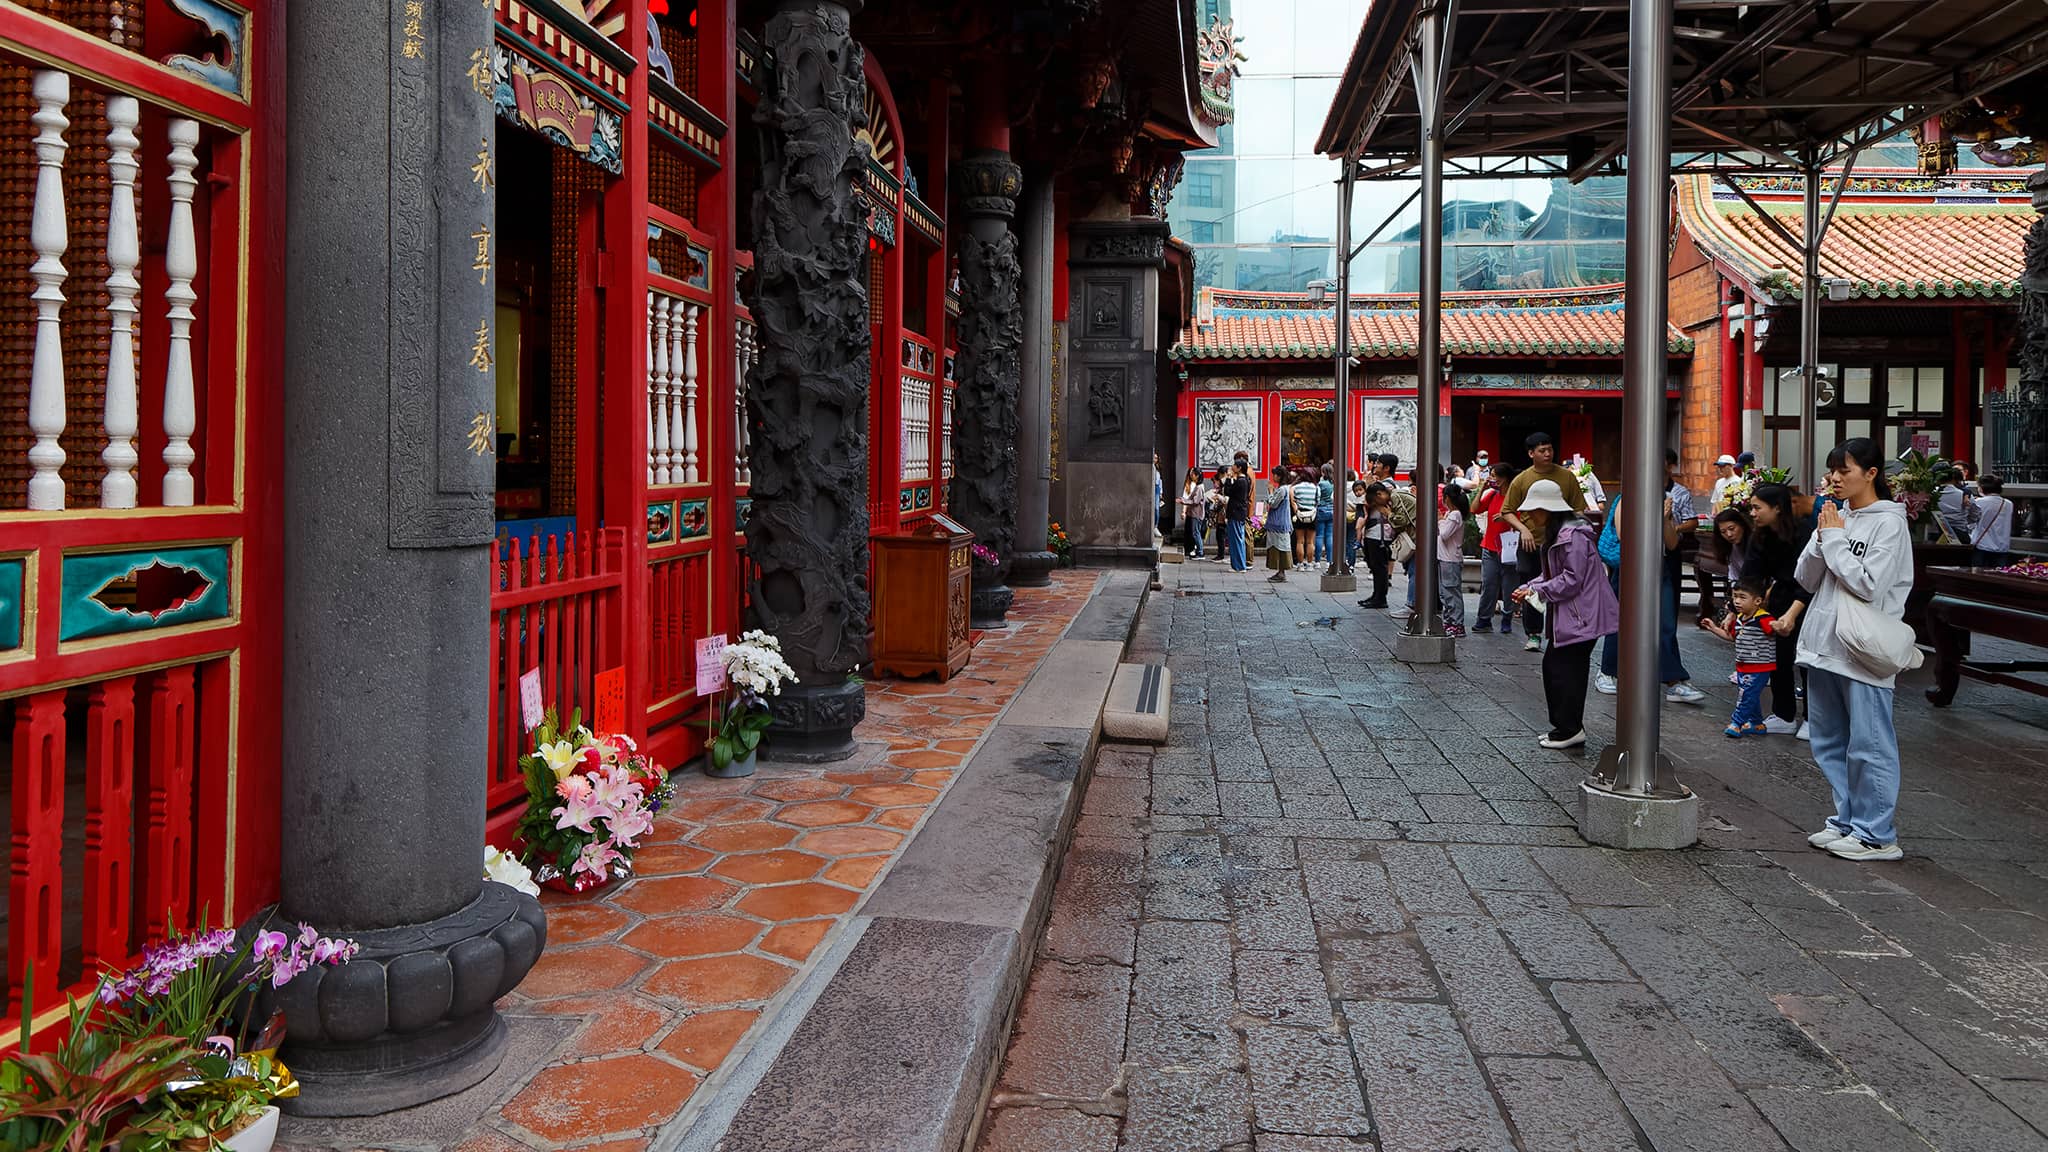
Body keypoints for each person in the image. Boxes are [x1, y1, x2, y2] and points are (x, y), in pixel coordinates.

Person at [1797, 437, 1913, 862]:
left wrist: (1836, 540)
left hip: (1862, 652)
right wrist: (1824, 535)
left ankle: (1877, 833)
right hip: (1823, 645)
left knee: (1870, 744)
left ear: (1870, 473)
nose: (1836, 479)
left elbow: (1868, 585)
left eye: (1844, 471)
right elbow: (1806, 578)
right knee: (1829, 741)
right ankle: (1847, 820)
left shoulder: (1889, 523)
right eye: (1833, 471)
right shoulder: (1836, 518)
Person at [1511, 479, 1618, 750]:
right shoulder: (1565, 534)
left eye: (1533, 509)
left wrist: (1538, 590)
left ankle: (1569, 729)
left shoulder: (1573, 536)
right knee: (1559, 668)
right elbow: (1556, 575)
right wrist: (1530, 587)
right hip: (1575, 614)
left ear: (1547, 509)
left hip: (1582, 614)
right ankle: (1565, 727)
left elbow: (1572, 579)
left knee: (1564, 670)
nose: (1529, 515)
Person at [1595, 448, 1704, 704]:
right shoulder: (1627, 498)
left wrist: (1666, 518)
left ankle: (1674, 680)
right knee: (1621, 621)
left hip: (1660, 567)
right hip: (1630, 567)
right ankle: (1608, 671)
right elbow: (1625, 537)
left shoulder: (1668, 499)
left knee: (1665, 623)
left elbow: (1672, 543)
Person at [1501, 433, 1590, 651]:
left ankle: (1562, 629)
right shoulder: (1522, 479)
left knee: (1562, 585)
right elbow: (1507, 510)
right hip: (1531, 544)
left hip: (1560, 545)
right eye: (1542, 450)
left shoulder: (1566, 477)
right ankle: (1533, 633)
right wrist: (1523, 529)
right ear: (1531, 454)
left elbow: (1578, 508)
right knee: (1531, 585)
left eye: (1550, 449)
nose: (1547, 454)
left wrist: (1568, 532)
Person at [1747, 483, 1813, 736]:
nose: (1752, 513)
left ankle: (1811, 719)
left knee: (1806, 661)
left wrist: (1792, 614)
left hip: (1806, 600)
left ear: (1777, 508)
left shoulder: (1804, 533)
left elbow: (1809, 580)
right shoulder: (1760, 535)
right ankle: (1784, 715)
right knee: (1778, 659)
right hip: (1779, 599)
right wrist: (1740, 605)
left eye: (1757, 508)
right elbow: (1751, 574)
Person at [1700, 576, 1780, 738]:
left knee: (1747, 695)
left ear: (1757, 601)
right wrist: (1714, 628)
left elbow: (1775, 629)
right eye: (1735, 596)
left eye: (1742, 597)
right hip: (1743, 665)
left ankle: (1737, 722)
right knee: (1751, 694)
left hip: (1760, 667)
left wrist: (1778, 626)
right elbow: (1731, 637)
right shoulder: (1739, 619)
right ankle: (1756, 723)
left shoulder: (1763, 619)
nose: (1737, 601)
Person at [1473, 462, 1514, 633]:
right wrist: (1482, 488)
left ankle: (1507, 617)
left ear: (1505, 478)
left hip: (1509, 547)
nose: (1492, 479)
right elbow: (1474, 509)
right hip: (1490, 546)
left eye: (1495, 475)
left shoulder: (1515, 497)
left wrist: (1507, 518)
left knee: (1509, 586)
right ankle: (1484, 619)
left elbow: (1523, 519)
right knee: (1489, 584)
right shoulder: (1492, 496)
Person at [1438, 482, 1470, 637]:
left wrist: (1439, 520)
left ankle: (1457, 624)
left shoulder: (1455, 515)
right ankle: (1450, 621)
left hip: (1450, 559)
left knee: (1451, 592)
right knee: (1446, 592)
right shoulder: (1451, 514)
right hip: (1445, 558)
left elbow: (1444, 534)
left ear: (1447, 498)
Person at [1356, 483, 1394, 608]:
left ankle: (1380, 598)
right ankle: (1376, 595)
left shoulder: (1391, 500)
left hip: (1381, 537)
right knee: (1375, 568)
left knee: (1380, 568)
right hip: (1372, 535)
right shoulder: (1372, 503)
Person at [1971, 473, 2014, 568]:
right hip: (2002, 547)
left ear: (1981, 488)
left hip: (1982, 546)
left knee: (1979, 576)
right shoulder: (2008, 504)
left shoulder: (1979, 502)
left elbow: (1971, 520)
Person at [1264, 465, 1297, 583]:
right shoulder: (1285, 489)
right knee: (1281, 546)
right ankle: (1280, 572)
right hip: (1281, 522)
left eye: (1275, 474)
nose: (1273, 477)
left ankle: (1281, 572)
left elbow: (1273, 503)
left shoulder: (1282, 490)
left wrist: (1270, 491)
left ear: (1279, 476)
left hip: (1278, 523)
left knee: (1279, 547)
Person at [1222, 462, 1252, 572]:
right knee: (1238, 539)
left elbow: (1227, 491)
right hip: (1239, 512)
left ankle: (1239, 565)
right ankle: (1239, 564)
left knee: (1236, 540)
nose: (1232, 467)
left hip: (1235, 513)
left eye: (1235, 465)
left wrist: (1229, 478)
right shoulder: (1246, 480)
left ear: (1239, 468)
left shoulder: (1240, 481)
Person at [1289, 467, 1319, 568]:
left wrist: (1296, 511)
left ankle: (1300, 564)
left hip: (1300, 514)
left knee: (1300, 541)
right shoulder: (1316, 488)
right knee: (1310, 541)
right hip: (1312, 515)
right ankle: (1310, 564)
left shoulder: (1295, 487)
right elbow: (1317, 502)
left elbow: (1293, 502)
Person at [1936, 467, 1974, 544]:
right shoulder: (1964, 495)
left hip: (1936, 534)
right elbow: (1975, 514)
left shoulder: (1931, 494)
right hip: (1960, 535)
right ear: (1953, 478)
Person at [1178, 468, 1207, 559]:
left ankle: (1200, 552)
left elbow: (1195, 501)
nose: (1192, 476)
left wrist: (1183, 501)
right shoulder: (1199, 486)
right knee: (1195, 532)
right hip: (1195, 513)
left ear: (1197, 476)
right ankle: (1199, 551)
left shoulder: (1199, 487)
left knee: (1196, 533)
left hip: (1196, 514)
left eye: (1193, 474)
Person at [1314, 463, 1337, 567]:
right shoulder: (1333, 483)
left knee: (1319, 536)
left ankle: (1317, 561)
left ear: (1323, 472)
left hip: (1321, 509)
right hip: (1332, 509)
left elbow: (1317, 498)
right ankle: (1329, 561)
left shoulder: (1321, 484)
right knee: (1329, 536)